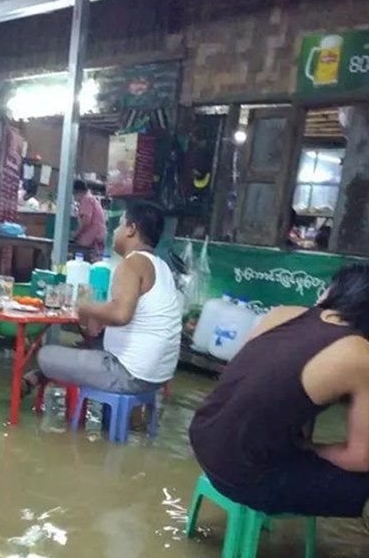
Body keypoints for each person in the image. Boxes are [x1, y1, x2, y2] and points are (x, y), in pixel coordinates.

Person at [189, 264, 369, 518]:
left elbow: (256, 380)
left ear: (331, 293)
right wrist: (310, 448)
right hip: (243, 476)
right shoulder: (360, 355)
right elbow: (360, 458)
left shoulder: (283, 313)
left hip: (202, 438)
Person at [34, 205, 181, 394]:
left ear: (131, 229)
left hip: (129, 374)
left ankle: (35, 377)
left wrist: (84, 308)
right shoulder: (161, 267)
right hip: (158, 377)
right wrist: (100, 317)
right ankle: (35, 377)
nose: (115, 231)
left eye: (120, 225)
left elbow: (120, 314)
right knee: (87, 347)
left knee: (45, 355)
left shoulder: (132, 263)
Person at [72, 179, 107, 261]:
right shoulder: (91, 199)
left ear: (77, 191)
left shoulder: (86, 200)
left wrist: (76, 234)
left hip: (92, 240)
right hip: (97, 238)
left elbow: (86, 222)